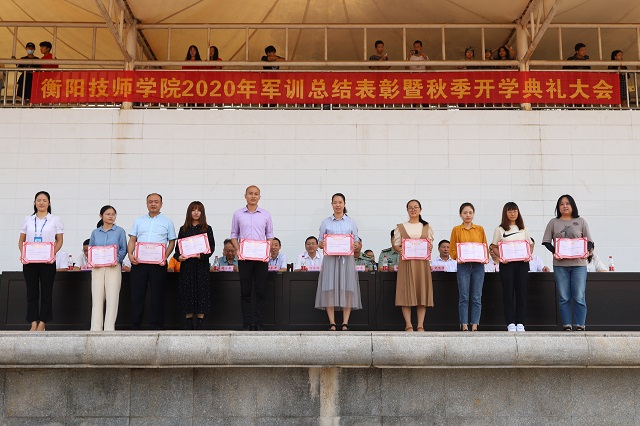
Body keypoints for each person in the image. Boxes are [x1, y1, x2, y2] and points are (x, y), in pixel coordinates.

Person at [542, 194, 593, 331]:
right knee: (564, 296)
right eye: (561, 204)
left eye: (567, 203)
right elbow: (546, 241)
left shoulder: (581, 221)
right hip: (560, 265)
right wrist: (555, 252)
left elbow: (589, 242)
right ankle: (567, 325)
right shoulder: (553, 222)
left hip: (579, 265)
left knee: (579, 296)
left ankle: (580, 324)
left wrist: (587, 251)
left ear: (572, 206)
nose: (565, 206)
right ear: (558, 207)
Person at [127, 193, 177, 330]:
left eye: (156, 202)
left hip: (158, 264)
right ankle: (135, 325)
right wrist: (130, 255)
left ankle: (156, 326)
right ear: (146, 203)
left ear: (161, 204)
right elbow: (132, 239)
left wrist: (165, 257)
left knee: (157, 295)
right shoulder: (139, 221)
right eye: (150, 202)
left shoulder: (167, 222)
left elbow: (172, 242)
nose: (153, 204)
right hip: (139, 263)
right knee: (137, 295)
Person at [18, 191, 64, 331]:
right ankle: (33, 322)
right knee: (31, 293)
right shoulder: (28, 219)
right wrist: (23, 254)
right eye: (39, 200)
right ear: (34, 203)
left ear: (49, 203)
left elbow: (59, 240)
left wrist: (51, 254)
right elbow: (21, 240)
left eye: (44, 200)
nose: (41, 203)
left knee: (46, 292)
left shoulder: (55, 220)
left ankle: (43, 322)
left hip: (47, 262)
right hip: (30, 262)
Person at [316, 193, 362, 331]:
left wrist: (356, 245)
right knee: (329, 289)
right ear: (332, 204)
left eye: (340, 202)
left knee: (348, 289)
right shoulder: (325, 222)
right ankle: (332, 323)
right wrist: (323, 244)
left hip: (346, 260)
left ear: (344, 204)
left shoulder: (351, 221)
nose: (338, 205)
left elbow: (356, 241)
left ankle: (345, 323)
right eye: (335, 202)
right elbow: (319, 242)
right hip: (330, 260)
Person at [230, 185, 274, 331]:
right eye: (250, 193)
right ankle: (247, 323)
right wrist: (238, 249)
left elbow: (269, 235)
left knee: (260, 291)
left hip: (261, 258)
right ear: (245, 196)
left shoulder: (266, 215)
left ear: (259, 197)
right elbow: (234, 234)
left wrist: (268, 249)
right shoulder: (238, 214)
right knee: (245, 291)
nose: (253, 196)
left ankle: (259, 323)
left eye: (256, 194)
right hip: (244, 258)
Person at [489, 202, 533, 333]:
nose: (513, 213)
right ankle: (510, 323)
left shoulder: (523, 228)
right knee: (508, 294)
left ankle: (520, 322)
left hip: (522, 264)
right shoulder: (500, 229)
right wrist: (501, 256)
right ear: (505, 213)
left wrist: (528, 254)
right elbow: (493, 246)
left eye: (515, 211)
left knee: (521, 293)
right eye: (510, 211)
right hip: (507, 265)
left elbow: (530, 244)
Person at [393, 199, 434, 332]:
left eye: (416, 207)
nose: (413, 209)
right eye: (410, 207)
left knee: (422, 292)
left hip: (422, 263)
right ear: (407, 210)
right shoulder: (400, 227)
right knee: (406, 292)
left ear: (420, 209)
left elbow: (430, 244)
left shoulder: (426, 226)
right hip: (406, 262)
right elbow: (396, 245)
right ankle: (408, 324)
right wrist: (400, 249)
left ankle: (420, 325)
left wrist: (429, 247)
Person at [174, 201, 215, 330]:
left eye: (199, 210)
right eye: (193, 210)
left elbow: (211, 248)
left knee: (202, 292)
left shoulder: (207, 229)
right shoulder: (183, 229)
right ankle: (188, 321)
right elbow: (177, 250)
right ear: (189, 212)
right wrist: (179, 257)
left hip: (201, 266)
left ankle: (201, 322)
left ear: (202, 213)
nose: (196, 212)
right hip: (187, 266)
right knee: (187, 292)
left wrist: (201, 256)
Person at [449, 202, 488, 331]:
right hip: (463, 266)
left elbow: (484, 246)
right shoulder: (456, 229)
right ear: (460, 215)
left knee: (477, 296)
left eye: (470, 212)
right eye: (465, 213)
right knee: (464, 296)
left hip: (478, 266)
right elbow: (452, 249)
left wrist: (484, 257)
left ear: (473, 214)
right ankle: (464, 324)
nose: (468, 215)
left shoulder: (480, 229)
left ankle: (475, 324)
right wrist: (458, 257)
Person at [88, 205, 127, 331]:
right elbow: (91, 249)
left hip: (113, 267)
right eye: (108, 214)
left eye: (113, 214)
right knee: (97, 298)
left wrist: (116, 260)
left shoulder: (120, 231)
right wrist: (93, 261)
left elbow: (123, 249)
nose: (111, 216)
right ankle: (95, 328)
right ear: (101, 216)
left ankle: (109, 328)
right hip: (98, 268)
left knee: (112, 297)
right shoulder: (95, 232)